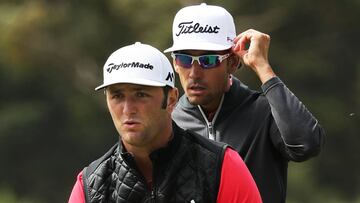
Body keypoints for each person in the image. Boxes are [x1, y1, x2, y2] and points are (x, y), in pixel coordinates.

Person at [164, 3, 325, 203]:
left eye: (209, 60)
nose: (194, 73)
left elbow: (306, 144)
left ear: (232, 62)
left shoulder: (265, 111)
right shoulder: (168, 122)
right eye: (184, 59)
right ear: (174, 64)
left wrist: (263, 67)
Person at [68, 42, 262, 203]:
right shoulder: (90, 186)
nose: (128, 109)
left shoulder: (222, 166)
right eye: (117, 96)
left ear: (171, 99)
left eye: (141, 94)